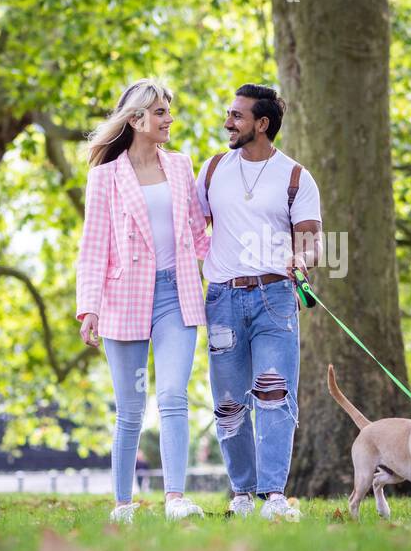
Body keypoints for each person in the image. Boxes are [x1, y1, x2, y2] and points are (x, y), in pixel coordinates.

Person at [76, 79, 211, 524]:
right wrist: (89, 306)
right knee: (130, 410)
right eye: (159, 112)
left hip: (177, 294)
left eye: (168, 110)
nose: (168, 118)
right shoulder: (104, 178)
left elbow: (197, 234)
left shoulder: (181, 166)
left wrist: (241, 269)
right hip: (124, 297)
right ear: (135, 120)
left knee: (173, 395)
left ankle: (175, 498)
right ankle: (122, 505)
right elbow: (94, 246)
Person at [196, 84, 322, 521]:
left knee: (275, 394)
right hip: (223, 300)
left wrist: (300, 259)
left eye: (237, 116)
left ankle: (274, 496)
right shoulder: (212, 171)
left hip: (276, 298)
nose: (228, 122)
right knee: (230, 402)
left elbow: (311, 243)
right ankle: (242, 494)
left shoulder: (295, 177)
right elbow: (190, 231)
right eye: (229, 114)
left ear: (262, 124)